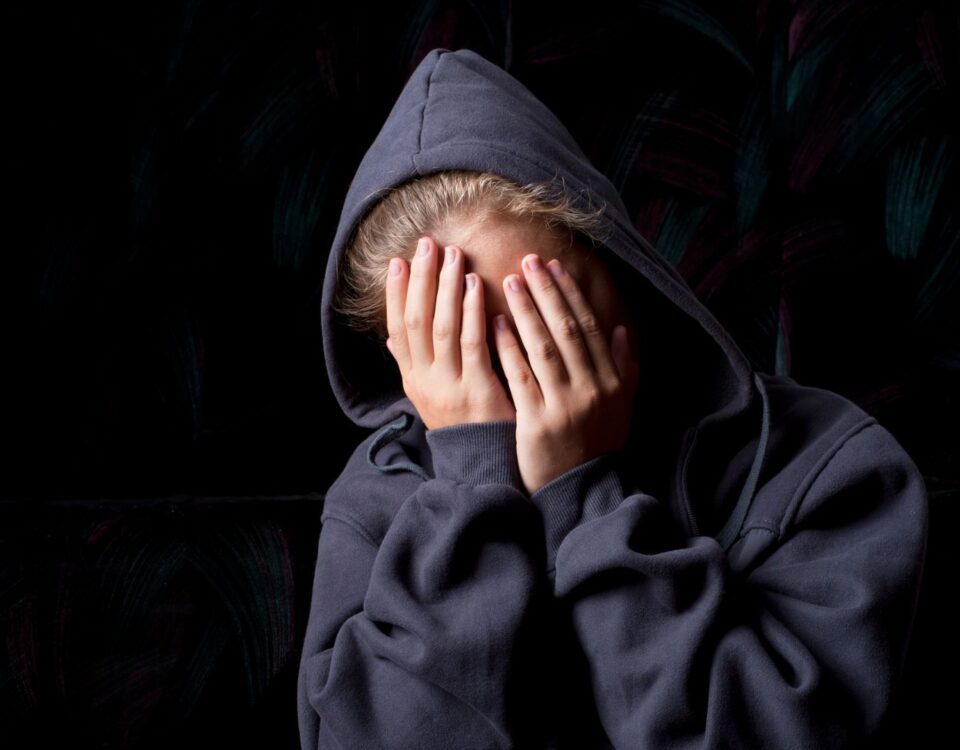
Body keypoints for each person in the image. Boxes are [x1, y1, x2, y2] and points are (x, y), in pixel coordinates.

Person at [296, 47, 929, 749]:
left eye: (548, 317)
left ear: (624, 269)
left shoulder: (830, 471)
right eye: (460, 346)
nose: (523, 376)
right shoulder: (376, 495)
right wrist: (472, 489)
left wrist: (585, 496)